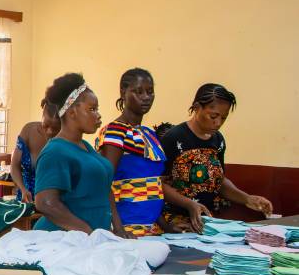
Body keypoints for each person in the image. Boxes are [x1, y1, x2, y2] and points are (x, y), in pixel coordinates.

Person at [161, 83, 272, 232]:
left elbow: (218, 181)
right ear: (197, 107)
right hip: (174, 223)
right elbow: (158, 184)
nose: (218, 123)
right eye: (213, 116)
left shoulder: (218, 140)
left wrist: (247, 198)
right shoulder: (173, 137)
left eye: (224, 118)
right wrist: (189, 204)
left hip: (205, 223)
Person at [96, 68, 177, 237]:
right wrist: (118, 229)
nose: (146, 97)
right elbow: (103, 183)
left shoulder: (149, 134)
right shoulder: (115, 132)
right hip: (127, 228)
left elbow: (153, 187)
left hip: (153, 230)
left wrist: (166, 227)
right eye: (138, 92)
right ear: (123, 92)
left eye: (150, 92)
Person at [34, 73, 115, 233]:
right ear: (71, 112)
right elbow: (45, 203)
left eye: (97, 109)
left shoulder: (85, 147)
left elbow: (105, 190)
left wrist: (118, 229)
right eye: (92, 109)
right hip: (63, 240)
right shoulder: (55, 151)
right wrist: (87, 232)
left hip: (92, 238)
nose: (98, 115)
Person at [10, 98, 60, 203]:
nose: (50, 131)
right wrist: (22, 188)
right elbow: (14, 165)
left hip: (52, 203)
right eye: (46, 125)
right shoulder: (28, 130)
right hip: (26, 200)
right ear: (42, 116)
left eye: (55, 128)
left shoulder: (65, 140)